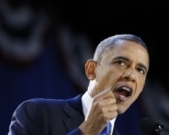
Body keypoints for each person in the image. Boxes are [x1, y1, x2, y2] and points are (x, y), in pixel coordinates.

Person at [8, 34, 150, 135]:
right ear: (91, 69)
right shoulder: (38, 114)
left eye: (140, 70)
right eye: (121, 62)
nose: (131, 75)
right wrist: (87, 130)